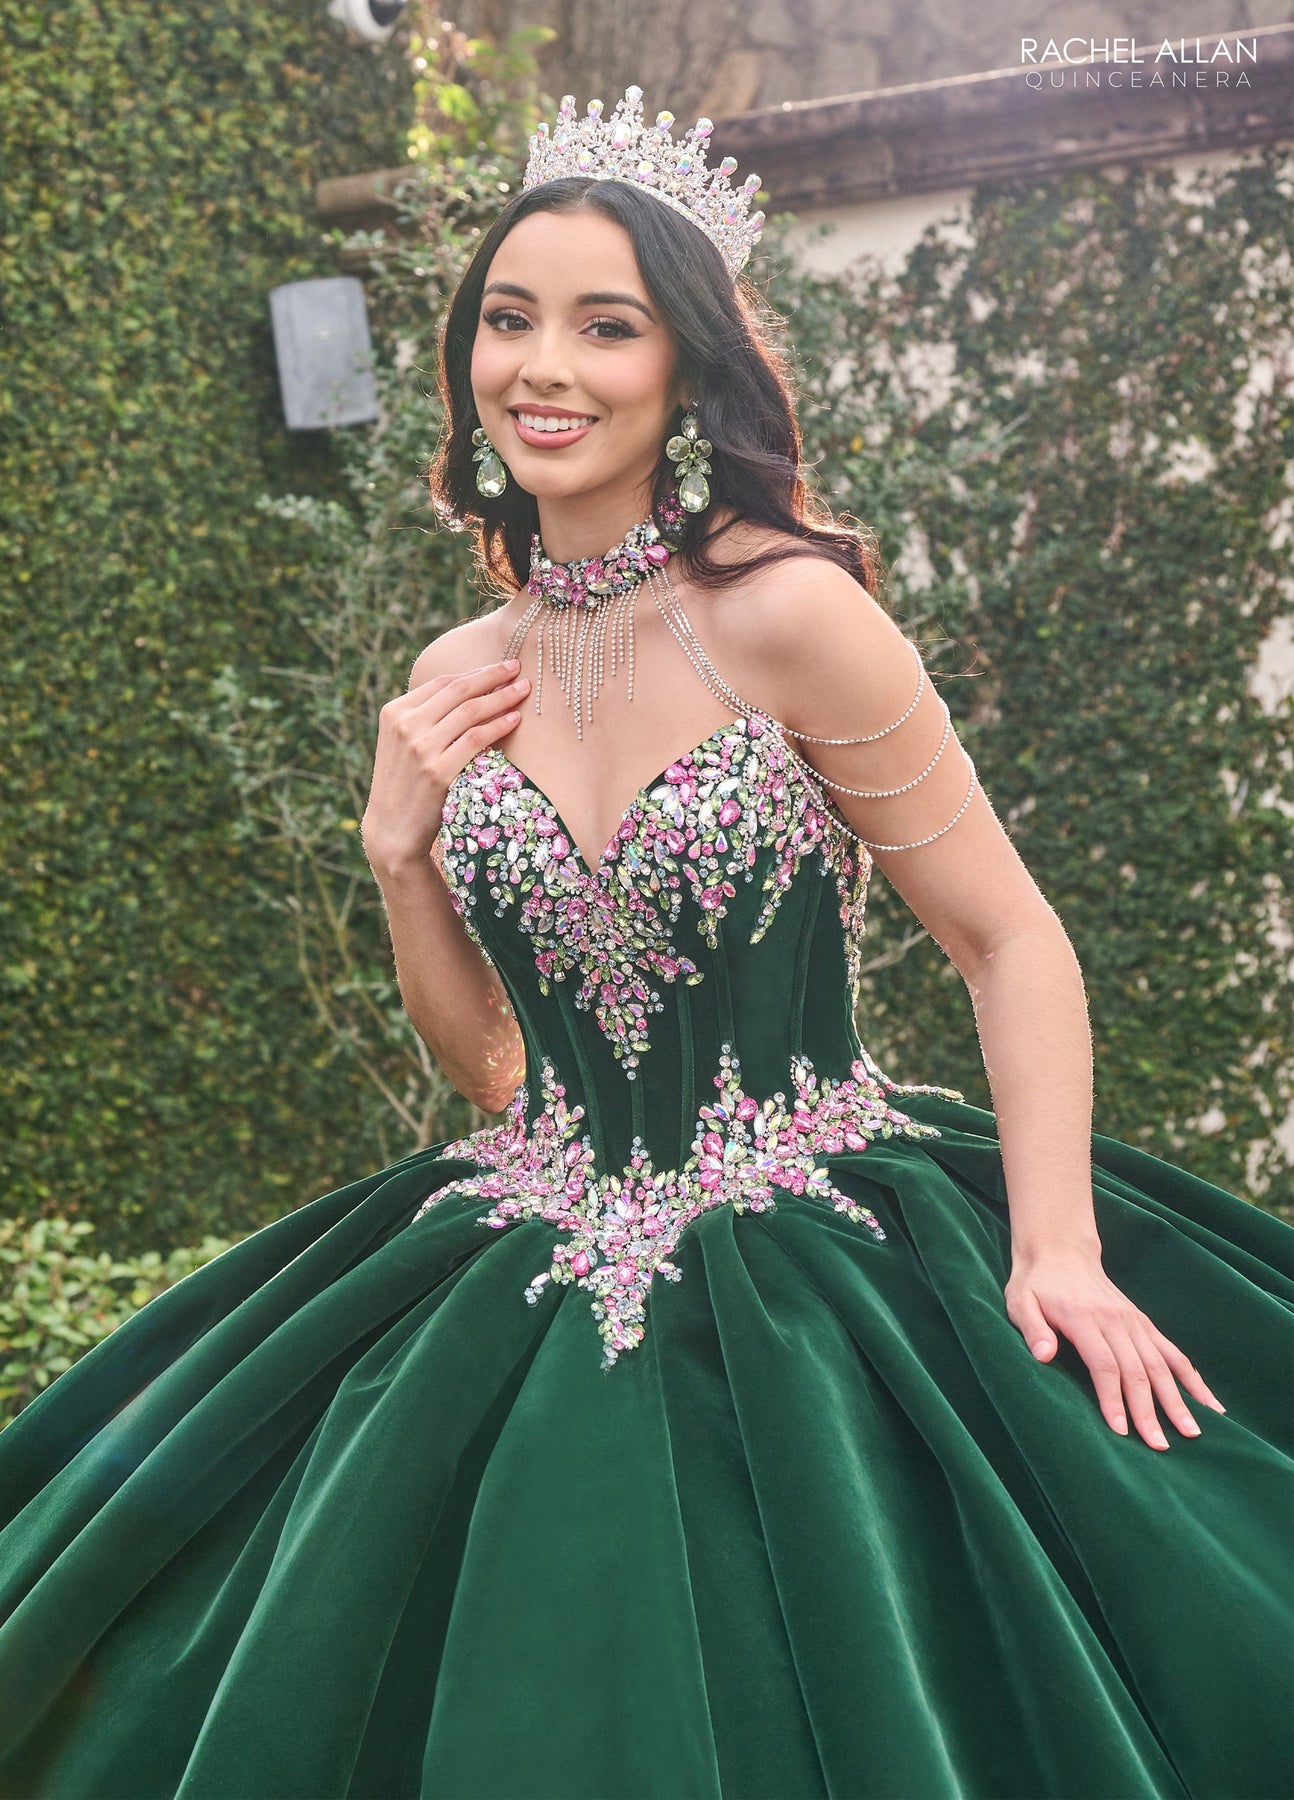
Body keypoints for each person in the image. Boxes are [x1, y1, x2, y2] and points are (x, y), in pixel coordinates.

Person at [0, 84, 1290, 1800]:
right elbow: (490, 1070)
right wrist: (397, 851)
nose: (544, 367)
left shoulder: (789, 613)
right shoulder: (463, 669)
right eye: (507, 319)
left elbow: (1008, 940)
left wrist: (1054, 1247)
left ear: (687, 367)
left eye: (605, 326)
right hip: (517, 1248)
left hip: (818, 1255)